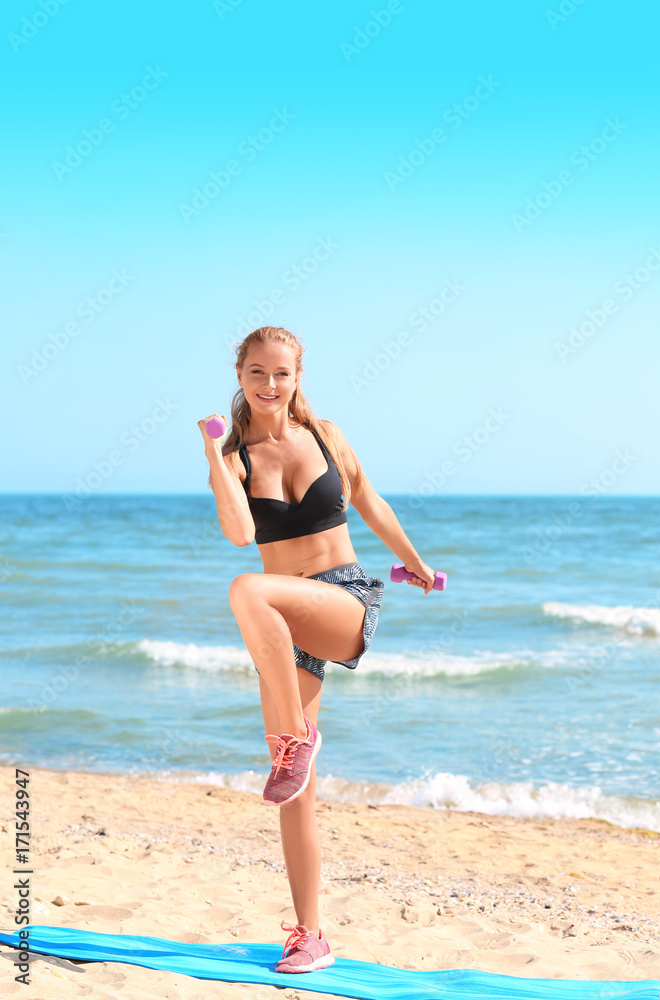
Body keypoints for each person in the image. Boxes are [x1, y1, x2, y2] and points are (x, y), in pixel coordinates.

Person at [198, 325, 435, 973]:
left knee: (249, 591)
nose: (269, 385)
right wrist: (215, 457)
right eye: (256, 373)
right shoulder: (238, 455)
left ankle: (297, 738)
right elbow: (240, 532)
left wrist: (412, 564)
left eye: (281, 373)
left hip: (341, 600)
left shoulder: (326, 435)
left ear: (298, 375)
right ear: (239, 376)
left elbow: (369, 500)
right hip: (281, 628)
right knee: (291, 787)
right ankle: (309, 934)